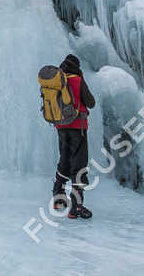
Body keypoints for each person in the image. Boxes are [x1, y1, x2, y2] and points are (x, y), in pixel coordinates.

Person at [52, 53, 96, 219]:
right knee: (79, 165)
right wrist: (81, 81)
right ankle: (76, 207)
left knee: (64, 159)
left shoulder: (57, 81)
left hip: (61, 128)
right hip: (78, 128)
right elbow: (91, 102)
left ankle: (58, 198)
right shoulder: (77, 80)